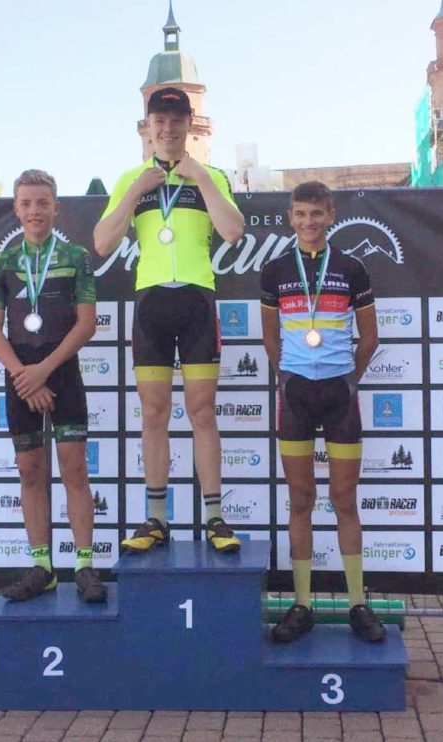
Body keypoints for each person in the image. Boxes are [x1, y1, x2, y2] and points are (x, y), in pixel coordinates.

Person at [94, 87, 245, 553]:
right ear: (148, 127)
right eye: (159, 121)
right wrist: (136, 191)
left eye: (176, 120)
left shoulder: (211, 176)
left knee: (202, 412)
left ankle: (215, 518)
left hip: (197, 301)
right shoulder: (130, 179)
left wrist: (200, 177)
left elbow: (233, 231)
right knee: (154, 413)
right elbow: (101, 242)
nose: (167, 128)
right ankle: (156, 519)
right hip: (151, 305)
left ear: (189, 125)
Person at [260, 180, 386, 643]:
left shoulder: (352, 269)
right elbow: (270, 336)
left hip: (339, 396)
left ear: (331, 215)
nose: (308, 222)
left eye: (316, 213)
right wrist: (287, 375)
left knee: (344, 500)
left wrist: (348, 378)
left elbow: (369, 338)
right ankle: (302, 604)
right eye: (300, 214)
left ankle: (357, 603)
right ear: (290, 218)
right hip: (295, 395)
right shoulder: (274, 272)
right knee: (300, 500)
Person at [0, 169, 106, 603]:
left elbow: (86, 324)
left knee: (75, 470)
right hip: (19, 374)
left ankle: (85, 566)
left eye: (42, 202)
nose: (34, 210)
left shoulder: (76, 257)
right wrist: (25, 375)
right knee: (30, 471)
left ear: (56, 207)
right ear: (16, 209)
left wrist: (45, 370)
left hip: (61, 369)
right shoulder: (3, 262)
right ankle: (43, 567)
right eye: (26, 203)